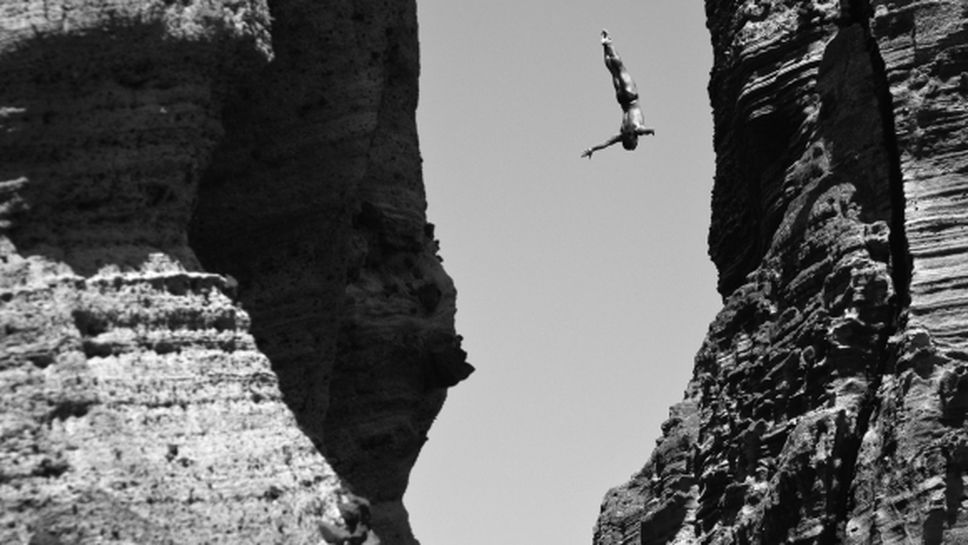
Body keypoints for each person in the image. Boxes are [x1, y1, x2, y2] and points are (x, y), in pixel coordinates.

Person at [582, 30, 655, 159]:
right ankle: (605, 45)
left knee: (620, 68)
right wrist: (592, 148)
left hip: (631, 97)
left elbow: (606, 143)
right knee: (613, 71)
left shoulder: (634, 131)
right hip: (622, 100)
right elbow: (606, 143)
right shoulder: (625, 134)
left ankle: (608, 43)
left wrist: (650, 131)